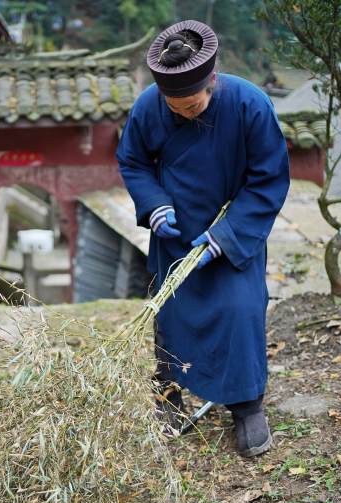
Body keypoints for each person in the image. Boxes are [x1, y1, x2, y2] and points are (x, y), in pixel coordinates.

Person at [116, 20, 290, 457]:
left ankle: (247, 407)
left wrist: (227, 236)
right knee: (171, 316)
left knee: (240, 310)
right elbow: (133, 162)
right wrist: (155, 204)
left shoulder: (251, 104)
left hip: (232, 232)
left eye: (192, 106)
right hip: (174, 232)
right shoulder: (148, 106)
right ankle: (168, 397)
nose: (183, 113)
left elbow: (268, 179)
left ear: (212, 81)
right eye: (175, 107)